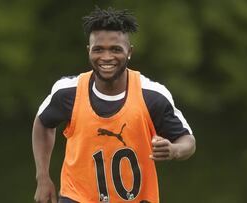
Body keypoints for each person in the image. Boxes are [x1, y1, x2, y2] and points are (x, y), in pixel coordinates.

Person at [32, 7, 196, 203]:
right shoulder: (68, 92)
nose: (107, 57)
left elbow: (188, 141)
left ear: (129, 52)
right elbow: (43, 124)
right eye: (99, 49)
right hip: (76, 197)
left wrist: (174, 150)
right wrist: (43, 177)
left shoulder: (152, 95)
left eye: (116, 49)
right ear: (88, 51)